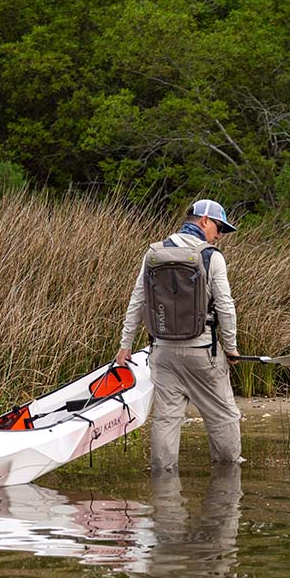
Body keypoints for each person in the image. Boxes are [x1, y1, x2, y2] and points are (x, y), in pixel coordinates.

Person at [114, 199, 243, 469]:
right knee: (223, 416)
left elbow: (137, 301)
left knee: (166, 419)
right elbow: (226, 307)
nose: (219, 235)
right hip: (202, 353)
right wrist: (230, 348)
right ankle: (228, 482)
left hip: (161, 353)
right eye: (219, 227)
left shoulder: (153, 253)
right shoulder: (211, 256)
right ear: (204, 220)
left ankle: (164, 495)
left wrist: (125, 345)